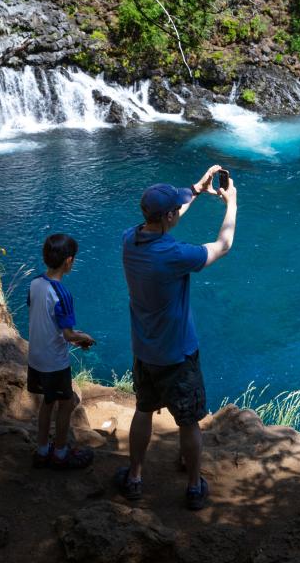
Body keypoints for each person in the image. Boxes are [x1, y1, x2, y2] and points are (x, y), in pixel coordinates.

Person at [115, 165, 237, 510]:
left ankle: (135, 476)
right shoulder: (174, 255)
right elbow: (223, 245)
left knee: (143, 409)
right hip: (178, 354)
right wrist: (232, 204)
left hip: (144, 349)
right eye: (176, 209)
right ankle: (195, 484)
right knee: (188, 422)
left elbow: (167, 217)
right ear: (168, 215)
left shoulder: (130, 238)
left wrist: (195, 190)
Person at [27, 233, 97, 470]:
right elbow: (67, 335)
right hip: (54, 362)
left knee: (47, 402)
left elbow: (47, 319)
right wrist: (84, 338)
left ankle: (41, 449)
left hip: (35, 357)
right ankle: (59, 452)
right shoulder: (62, 294)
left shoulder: (35, 283)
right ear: (69, 261)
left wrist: (70, 335)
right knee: (66, 404)